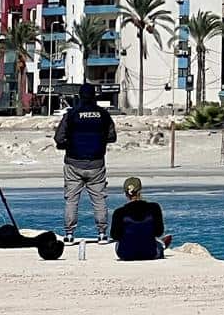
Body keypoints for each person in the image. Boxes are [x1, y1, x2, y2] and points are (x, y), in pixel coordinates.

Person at [54, 82, 117, 244]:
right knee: (99, 199)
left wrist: (68, 144)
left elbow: (58, 138)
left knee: (71, 199)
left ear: (79, 96)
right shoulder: (103, 114)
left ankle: (69, 234)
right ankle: (102, 234)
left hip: (73, 163)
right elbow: (112, 137)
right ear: (95, 96)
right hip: (96, 163)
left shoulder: (71, 114)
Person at [109, 176, 171, 261]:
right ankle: (162, 245)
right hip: (150, 253)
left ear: (126, 193)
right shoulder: (154, 207)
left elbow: (115, 236)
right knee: (158, 244)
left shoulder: (119, 212)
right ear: (140, 191)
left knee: (118, 244)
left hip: (126, 254)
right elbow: (158, 232)